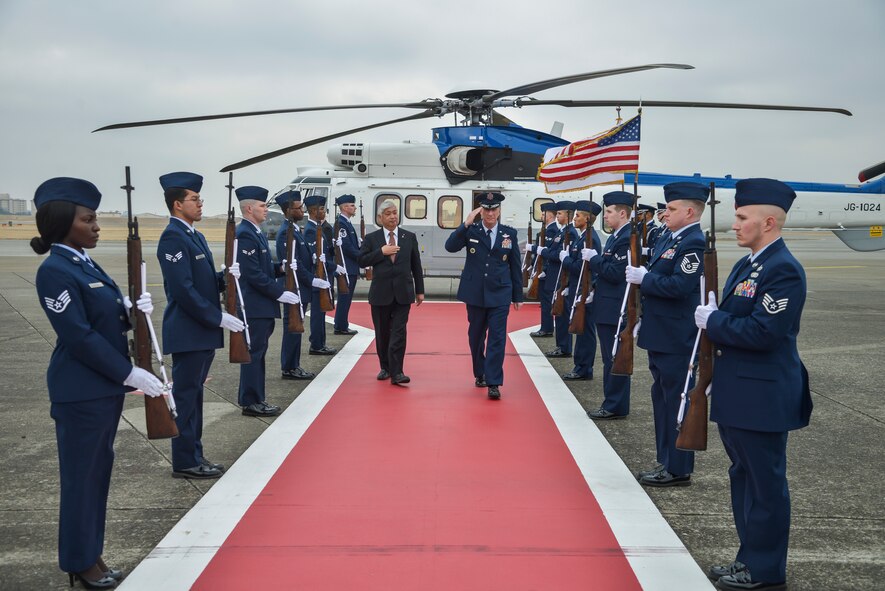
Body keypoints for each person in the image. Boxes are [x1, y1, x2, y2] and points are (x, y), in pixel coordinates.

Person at [33, 177, 162, 589]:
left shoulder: (84, 263)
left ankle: (90, 552)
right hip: (80, 390)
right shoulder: (54, 270)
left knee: (97, 476)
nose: (96, 226)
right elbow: (79, 335)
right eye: (88, 219)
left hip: (100, 390)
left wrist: (131, 309)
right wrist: (129, 373)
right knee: (81, 480)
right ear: (64, 223)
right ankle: (79, 561)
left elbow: (103, 319)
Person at [695, 178, 811, 591]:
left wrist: (715, 322)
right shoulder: (750, 264)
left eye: (742, 217)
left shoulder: (783, 271)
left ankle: (765, 572)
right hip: (741, 390)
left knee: (765, 487)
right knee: (743, 478)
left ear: (768, 221)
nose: (734, 224)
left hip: (762, 396)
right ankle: (749, 560)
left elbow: (765, 332)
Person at [157, 171, 243, 480]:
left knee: (194, 398)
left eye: (200, 199)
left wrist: (225, 277)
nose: (200, 204)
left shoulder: (195, 235)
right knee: (186, 398)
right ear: (178, 204)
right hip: (188, 330)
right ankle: (184, 461)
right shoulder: (173, 238)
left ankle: (194, 454)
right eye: (195, 199)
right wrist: (217, 317)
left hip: (201, 332)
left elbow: (202, 283)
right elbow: (184, 291)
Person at [626, 182, 707, 487]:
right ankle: (666, 460)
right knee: (662, 399)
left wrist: (645, 278)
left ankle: (678, 468)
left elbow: (679, 286)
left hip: (677, 336)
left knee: (676, 401)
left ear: (689, 211)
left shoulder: (693, 243)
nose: (665, 213)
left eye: (671, 209)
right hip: (661, 333)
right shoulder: (670, 239)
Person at [445, 192, 524, 400]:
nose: (490, 213)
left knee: (497, 339)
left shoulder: (509, 234)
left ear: (499, 211)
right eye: (486, 209)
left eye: (494, 209)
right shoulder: (472, 230)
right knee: (476, 337)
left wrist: (518, 295)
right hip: (475, 294)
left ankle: (493, 381)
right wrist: (465, 224)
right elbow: (450, 247)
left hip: (500, 293)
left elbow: (515, 265)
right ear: (481, 210)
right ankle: (479, 372)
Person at [234, 185, 301, 416]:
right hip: (253, 306)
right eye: (263, 205)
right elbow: (251, 274)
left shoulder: (255, 231)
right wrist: (279, 292)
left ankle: (257, 398)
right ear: (250, 208)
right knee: (253, 355)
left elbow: (262, 268)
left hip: (261, 306)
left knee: (259, 353)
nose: (266, 209)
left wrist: (280, 268)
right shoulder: (244, 233)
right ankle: (251, 401)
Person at [357, 199, 425, 384]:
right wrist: (381, 252)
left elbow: (416, 265)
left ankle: (398, 372)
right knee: (383, 333)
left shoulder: (408, 237)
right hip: (380, 294)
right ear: (380, 218)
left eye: (395, 212)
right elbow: (361, 260)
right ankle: (385, 367)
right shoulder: (372, 239)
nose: (393, 216)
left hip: (403, 293)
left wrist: (420, 290)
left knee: (399, 332)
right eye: (388, 213)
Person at [585, 191, 634, 420]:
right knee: (609, 358)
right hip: (607, 305)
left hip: (615, 308)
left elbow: (615, 273)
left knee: (614, 358)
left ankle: (614, 404)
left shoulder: (626, 238)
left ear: (622, 213)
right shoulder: (616, 236)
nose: (605, 216)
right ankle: (614, 402)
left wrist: (593, 259)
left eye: (609, 211)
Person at [274, 190, 315, 381]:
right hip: (294, 286)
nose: (303, 211)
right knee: (292, 328)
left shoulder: (294, 229)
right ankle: (289, 367)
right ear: (289, 210)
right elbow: (293, 264)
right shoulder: (285, 232)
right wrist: (311, 279)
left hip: (300, 287)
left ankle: (294, 365)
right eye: (299, 208)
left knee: (296, 327)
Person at [560, 200, 603, 381]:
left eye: (577, 215)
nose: (574, 218)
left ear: (587, 218)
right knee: (580, 328)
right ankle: (580, 366)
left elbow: (582, 267)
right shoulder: (582, 236)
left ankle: (584, 368)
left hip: (585, 290)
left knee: (585, 331)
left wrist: (566, 260)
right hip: (578, 287)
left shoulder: (590, 238)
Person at [541, 200, 576, 358]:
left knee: (562, 314)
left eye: (560, 213)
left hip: (561, 278)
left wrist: (543, 252)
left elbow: (556, 254)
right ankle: (560, 345)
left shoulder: (571, 233)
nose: (557, 216)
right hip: (556, 277)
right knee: (559, 314)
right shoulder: (562, 232)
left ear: (568, 215)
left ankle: (564, 347)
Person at [302, 194, 336, 355]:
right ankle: (316, 344)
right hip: (317, 277)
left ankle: (320, 343)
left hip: (323, 275)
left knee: (321, 312)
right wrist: (334, 266)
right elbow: (315, 257)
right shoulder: (310, 231)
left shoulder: (317, 228)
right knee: (317, 314)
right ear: (314, 211)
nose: (324, 211)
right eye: (321, 209)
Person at [528, 201, 558, 337]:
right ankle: (545, 326)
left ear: (550, 215)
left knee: (546, 301)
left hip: (546, 271)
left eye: (543, 213)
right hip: (541, 269)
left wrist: (543, 269)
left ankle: (546, 328)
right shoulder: (546, 230)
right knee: (544, 301)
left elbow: (547, 252)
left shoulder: (552, 231)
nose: (541, 215)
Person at [332, 194, 361, 335]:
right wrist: (363, 256)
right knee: (345, 298)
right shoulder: (342, 224)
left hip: (351, 266)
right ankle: (341, 326)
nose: (354, 207)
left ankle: (342, 324)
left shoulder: (347, 222)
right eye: (352, 205)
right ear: (344, 207)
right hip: (347, 266)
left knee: (347, 298)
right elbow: (346, 247)